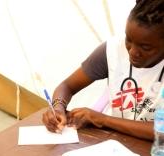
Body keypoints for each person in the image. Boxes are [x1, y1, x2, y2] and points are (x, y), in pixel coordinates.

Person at [42, 0, 164, 141]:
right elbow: (67, 86)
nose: (132, 51)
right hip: (114, 144)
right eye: (128, 39)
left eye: (146, 47)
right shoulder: (112, 50)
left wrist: (103, 120)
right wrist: (58, 107)